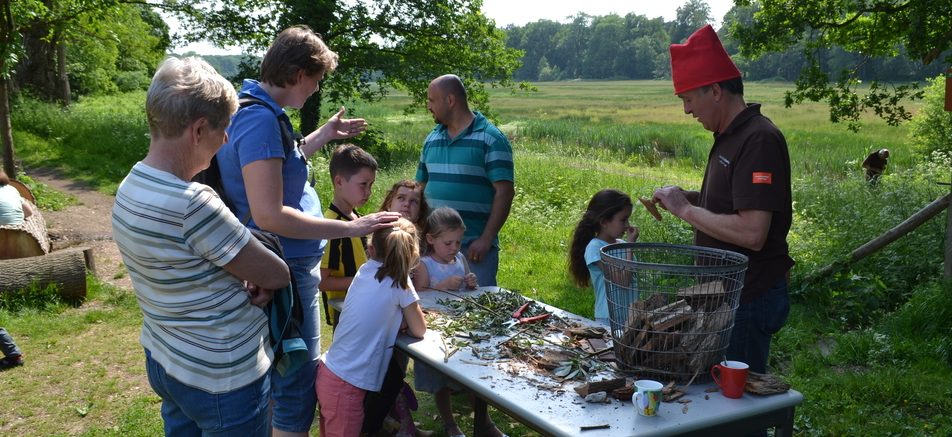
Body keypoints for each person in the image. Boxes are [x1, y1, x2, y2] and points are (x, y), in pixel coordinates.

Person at [214, 26, 400, 436]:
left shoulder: (254, 110)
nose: (316, 89)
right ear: (298, 73)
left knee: (282, 374)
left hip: (285, 262)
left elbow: (280, 164)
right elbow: (269, 215)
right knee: (296, 383)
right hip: (287, 266)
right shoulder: (260, 120)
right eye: (316, 79)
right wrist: (352, 228)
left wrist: (325, 135)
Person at [111, 56, 291, 436]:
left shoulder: (131, 185)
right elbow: (276, 273)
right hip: (222, 376)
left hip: (166, 357)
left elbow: (183, 264)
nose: (226, 139)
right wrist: (251, 275)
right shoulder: (194, 202)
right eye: (223, 128)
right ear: (198, 130)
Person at [652, 24, 794, 375]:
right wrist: (689, 198)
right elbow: (737, 201)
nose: (686, 110)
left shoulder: (758, 139)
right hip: (725, 295)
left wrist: (686, 210)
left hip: (747, 298)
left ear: (715, 90)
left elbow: (752, 232)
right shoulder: (730, 136)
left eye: (688, 99)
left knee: (737, 410)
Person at [316, 218, 427, 437]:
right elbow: (419, 329)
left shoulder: (364, 270)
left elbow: (378, 307)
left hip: (332, 375)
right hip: (346, 386)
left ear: (370, 249)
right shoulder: (400, 281)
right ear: (412, 254)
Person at [412, 207, 504, 437]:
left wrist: (471, 281)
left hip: (462, 327)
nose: (454, 248)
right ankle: (449, 423)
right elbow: (419, 295)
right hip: (437, 330)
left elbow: (467, 285)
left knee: (471, 377)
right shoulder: (424, 264)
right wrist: (443, 286)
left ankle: (485, 423)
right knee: (441, 380)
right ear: (431, 239)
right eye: (448, 243)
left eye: (458, 242)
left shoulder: (460, 258)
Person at [416, 74, 515, 287]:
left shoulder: (491, 139)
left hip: (474, 248)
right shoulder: (431, 140)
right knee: (433, 311)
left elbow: (505, 192)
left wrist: (486, 239)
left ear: (450, 100)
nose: (428, 106)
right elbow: (419, 188)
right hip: (432, 251)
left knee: (475, 310)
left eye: (432, 100)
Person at [319, 144, 378, 328]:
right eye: (363, 185)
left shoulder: (358, 219)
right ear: (339, 182)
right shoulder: (330, 226)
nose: (368, 192)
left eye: (371, 185)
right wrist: (365, 281)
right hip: (345, 315)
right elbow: (322, 281)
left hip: (365, 310)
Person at [568, 189, 640, 326]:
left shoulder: (623, 245)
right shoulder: (595, 248)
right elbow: (623, 281)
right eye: (623, 219)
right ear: (604, 222)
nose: (627, 225)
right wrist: (630, 246)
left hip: (630, 316)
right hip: (609, 318)